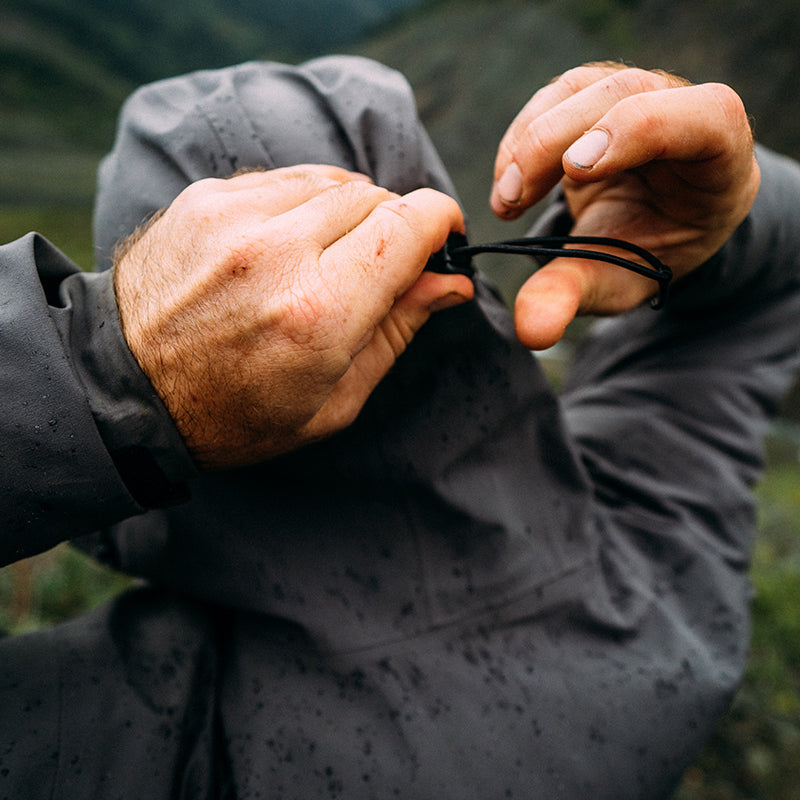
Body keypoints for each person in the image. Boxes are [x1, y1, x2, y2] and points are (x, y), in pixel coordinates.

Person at [0, 54, 797, 799]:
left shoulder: (144, 745)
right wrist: (727, 217)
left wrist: (107, 371)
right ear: (469, 301)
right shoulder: (670, 612)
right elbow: (774, 291)